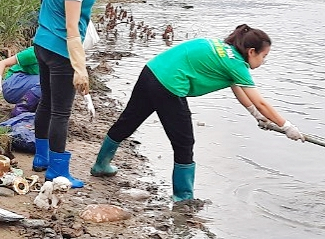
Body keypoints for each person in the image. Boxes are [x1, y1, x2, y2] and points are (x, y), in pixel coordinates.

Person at [89, 24, 305, 201]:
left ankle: (100, 165)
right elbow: (261, 102)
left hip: (152, 71)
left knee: (128, 121)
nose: (264, 61)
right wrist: (287, 127)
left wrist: (254, 115)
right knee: (184, 142)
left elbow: (237, 88)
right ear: (251, 52)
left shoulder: (224, 49)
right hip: (169, 86)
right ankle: (183, 197)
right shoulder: (237, 64)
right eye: (264, 56)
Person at [32, 0, 110, 188]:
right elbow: (72, 28)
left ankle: (40, 158)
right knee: (61, 112)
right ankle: (57, 171)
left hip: (42, 43)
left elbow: (44, 1)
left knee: (47, 102)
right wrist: (80, 67)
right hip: (60, 49)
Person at [0, 46, 41, 115]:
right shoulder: (34, 52)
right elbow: (2, 63)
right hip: (13, 85)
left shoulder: (57, 57)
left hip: (30, 85)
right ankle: (20, 110)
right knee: (48, 81)